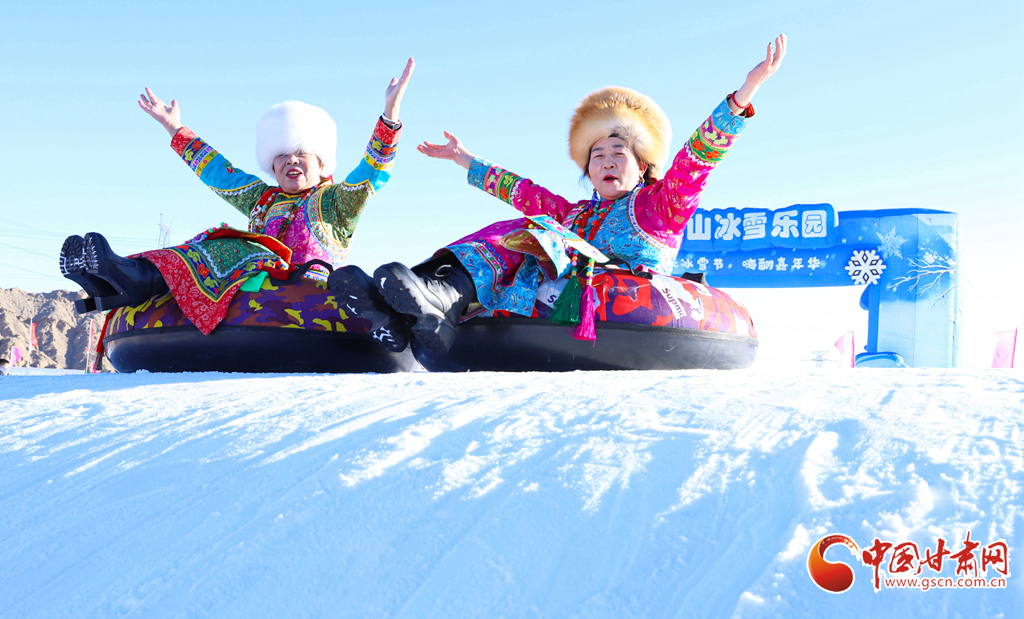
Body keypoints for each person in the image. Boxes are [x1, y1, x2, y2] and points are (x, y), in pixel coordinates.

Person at [331, 36, 786, 356]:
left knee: (536, 229)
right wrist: (464, 159)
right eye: (597, 156)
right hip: (558, 272)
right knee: (529, 223)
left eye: (618, 153)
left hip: (618, 290)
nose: (606, 162)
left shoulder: (658, 206)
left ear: (643, 165)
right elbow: (523, 192)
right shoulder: (576, 214)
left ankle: (439, 296)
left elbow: (696, 160)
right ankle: (409, 307)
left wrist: (742, 97)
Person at [60, 59, 415, 347]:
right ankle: (126, 275)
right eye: (282, 156)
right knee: (211, 247)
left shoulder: (336, 203)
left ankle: (136, 277)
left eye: (301, 154)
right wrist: (174, 127)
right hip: (254, 287)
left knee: (233, 244)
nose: (291, 161)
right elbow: (220, 173)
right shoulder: (263, 200)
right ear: (272, 165)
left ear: (321, 164)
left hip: (309, 293)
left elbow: (373, 169)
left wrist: (390, 114)